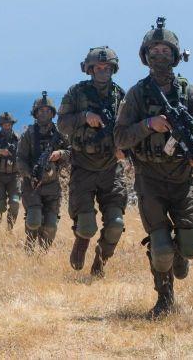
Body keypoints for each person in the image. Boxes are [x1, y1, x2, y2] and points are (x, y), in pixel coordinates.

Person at [114, 17, 193, 318]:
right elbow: (120, 136)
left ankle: (180, 254)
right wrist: (149, 125)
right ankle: (164, 300)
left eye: (165, 50)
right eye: (154, 50)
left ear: (175, 54)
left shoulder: (190, 93)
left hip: (183, 179)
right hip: (150, 179)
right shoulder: (136, 94)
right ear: (146, 55)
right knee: (160, 249)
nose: (160, 55)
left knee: (191, 248)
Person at [57, 46, 127, 277]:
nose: (103, 71)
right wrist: (84, 118)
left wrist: (123, 148)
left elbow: (130, 128)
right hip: (83, 167)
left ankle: (101, 260)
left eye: (107, 67)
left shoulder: (121, 96)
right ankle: (82, 239)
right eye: (98, 67)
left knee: (116, 224)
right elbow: (62, 124)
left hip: (111, 169)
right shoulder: (76, 93)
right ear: (89, 69)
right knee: (87, 225)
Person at [16, 92, 70, 252]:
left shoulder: (60, 134)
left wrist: (60, 154)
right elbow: (20, 158)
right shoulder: (29, 134)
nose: (44, 114)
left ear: (53, 113)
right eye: (41, 111)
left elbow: (72, 152)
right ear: (35, 113)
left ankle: (43, 255)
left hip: (52, 186)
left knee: (51, 226)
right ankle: (30, 247)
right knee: (33, 220)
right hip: (32, 186)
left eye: (47, 111)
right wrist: (29, 174)